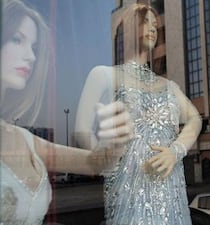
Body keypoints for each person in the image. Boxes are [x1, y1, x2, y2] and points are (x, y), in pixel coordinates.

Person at [0, 0, 133, 224]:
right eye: (17, 39)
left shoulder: (24, 140)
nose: (31, 56)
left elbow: (98, 164)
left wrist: (115, 141)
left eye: (33, 47)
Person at [74, 3, 202, 225]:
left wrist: (175, 151)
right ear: (129, 28)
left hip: (170, 194)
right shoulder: (105, 75)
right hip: (130, 190)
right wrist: (105, 163)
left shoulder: (168, 86)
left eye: (155, 24)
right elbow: (81, 130)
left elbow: (195, 119)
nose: (153, 28)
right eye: (145, 21)